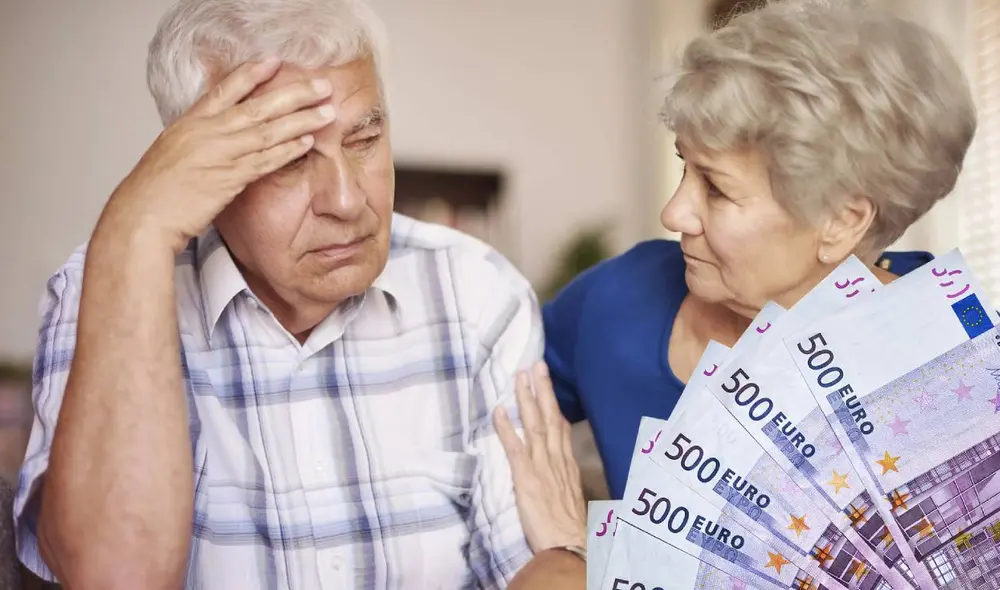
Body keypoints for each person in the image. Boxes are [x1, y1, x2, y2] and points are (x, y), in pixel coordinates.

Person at [12, 0, 583, 587]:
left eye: (365, 138)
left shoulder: (475, 292)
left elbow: (536, 566)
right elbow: (115, 576)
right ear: (190, 165)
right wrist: (139, 225)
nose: (347, 201)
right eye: (288, 158)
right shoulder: (102, 288)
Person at [494, 4, 979, 587]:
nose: (673, 213)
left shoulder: (960, 372)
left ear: (842, 220)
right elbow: (476, 404)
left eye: (718, 190)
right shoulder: (620, 298)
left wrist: (578, 556)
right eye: (685, 166)